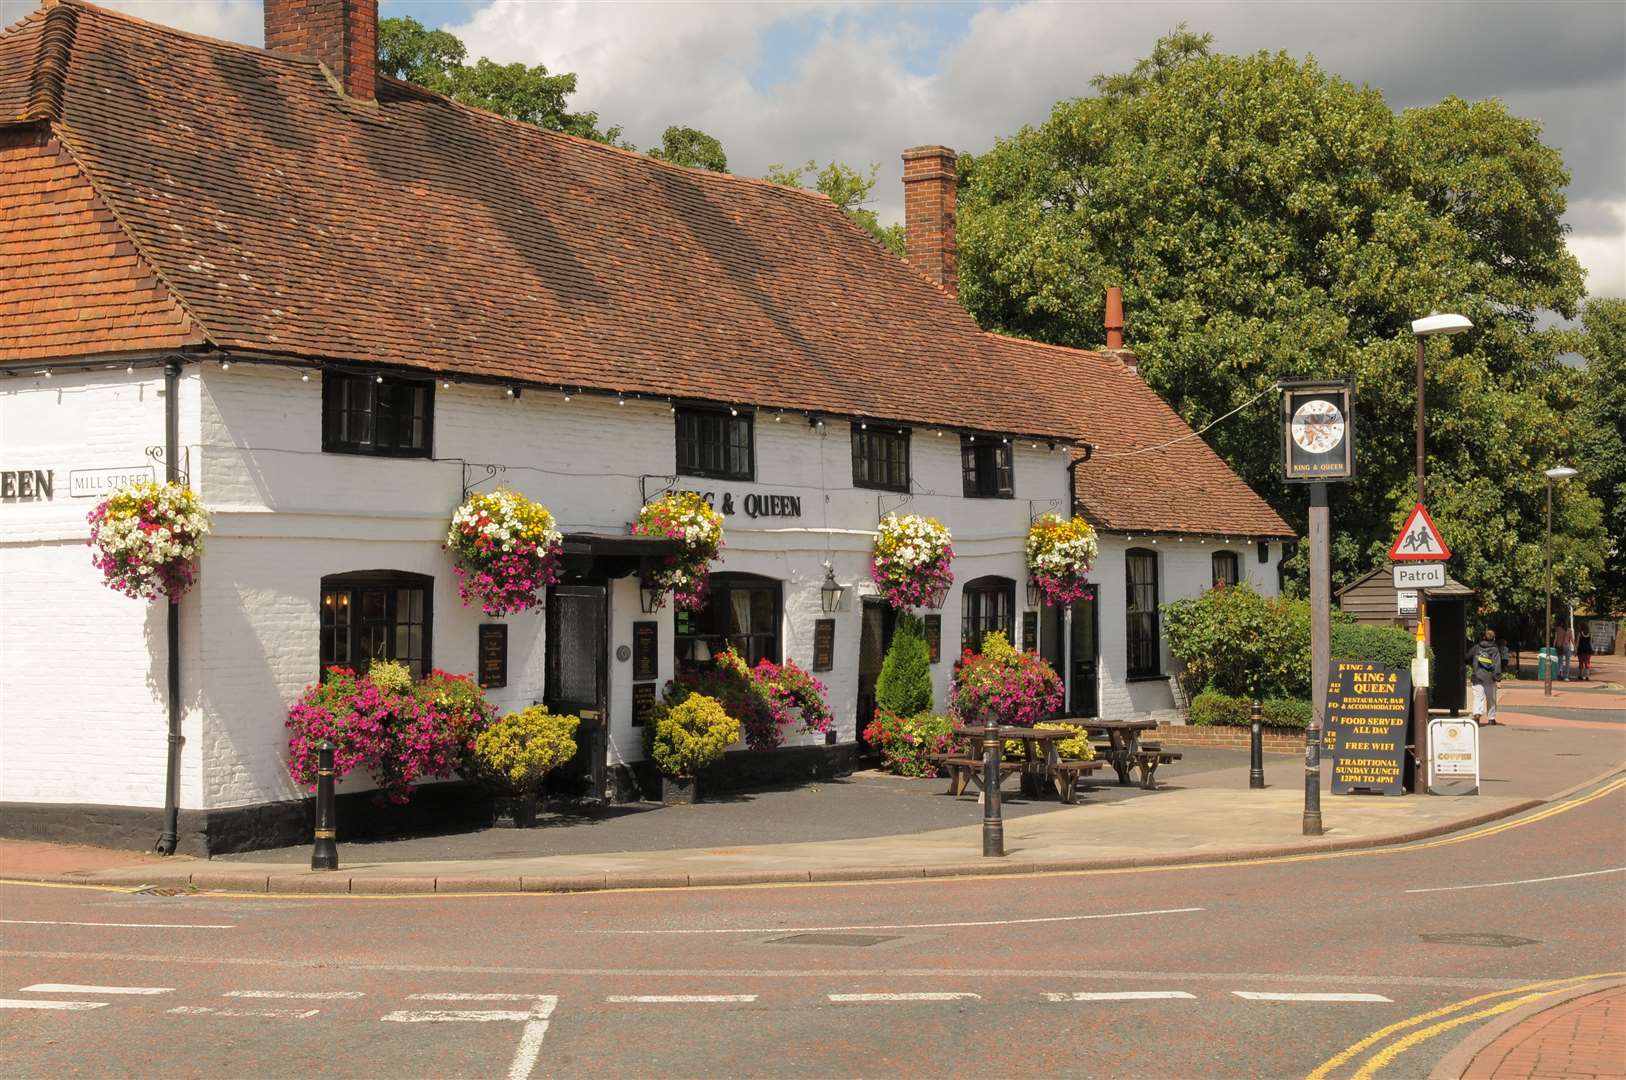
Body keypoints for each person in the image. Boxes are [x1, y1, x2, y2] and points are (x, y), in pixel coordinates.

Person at [1468, 628, 1504, 726]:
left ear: (1484, 637)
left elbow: (1467, 657)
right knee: (1491, 698)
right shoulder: (1495, 650)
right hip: (1489, 678)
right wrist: (1498, 679)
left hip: (1477, 676)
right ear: (1494, 638)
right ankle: (1491, 719)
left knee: (1477, 697)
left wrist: (1473, 664)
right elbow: (1497, 665)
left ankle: (1477, 715)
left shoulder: (1476, 647)